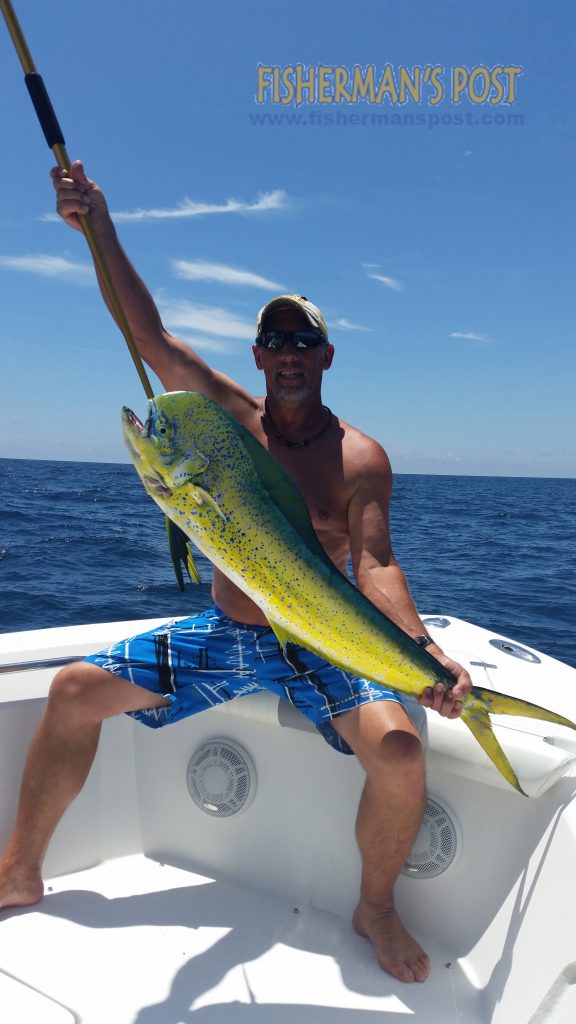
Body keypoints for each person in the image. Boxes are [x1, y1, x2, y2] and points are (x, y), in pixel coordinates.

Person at [0, 161, 472, 984]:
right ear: (258, 355)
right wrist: (98, 227)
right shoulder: (229, 416)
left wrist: (423, 652)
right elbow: (152, 340)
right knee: (73, 691)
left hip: (323, 645)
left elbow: (378, 563)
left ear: (327, 355)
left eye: (303, 342)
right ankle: (18, 871)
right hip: (231, 634)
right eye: (275, 342)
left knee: (399, 755)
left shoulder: (361, 456)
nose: (289, 355)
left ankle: (375, 908)